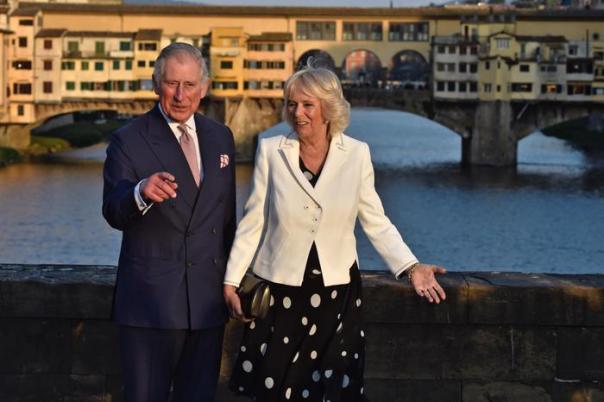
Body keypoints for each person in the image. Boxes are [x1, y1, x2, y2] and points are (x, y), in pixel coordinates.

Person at [222, 64, 446, 402]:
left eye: (308, 105)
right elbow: (253, 222)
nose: (298, 113)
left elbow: (376, 220)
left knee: (332, 391)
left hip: (336, 292)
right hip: (281, 289)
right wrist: (231, 280)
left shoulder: (356, 154)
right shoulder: (271, 150)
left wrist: (412, 267)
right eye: (292, 104)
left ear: (329, 107)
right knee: (278, 390)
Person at [102, 43, 236, 402]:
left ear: (204, 88)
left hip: (206, 305)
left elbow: (227, 222)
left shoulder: (221, 136)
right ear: (156, 84)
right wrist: (141, 192)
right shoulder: (128, 140)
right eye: (172, 84)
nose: (181, 95)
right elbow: (113, 210)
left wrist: (234, 280)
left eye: (190, 85)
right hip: (150, 305)